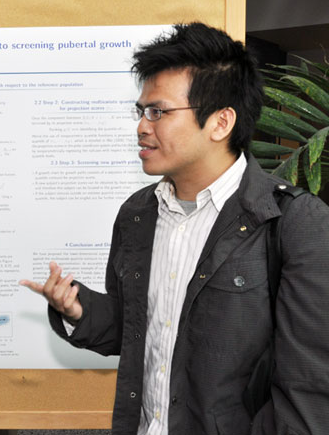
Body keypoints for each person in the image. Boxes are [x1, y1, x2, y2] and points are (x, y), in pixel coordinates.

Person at [21, 22, 329, 435]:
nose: (142, 127)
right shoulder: (137, 214)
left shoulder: (292, 221)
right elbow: (140, 332)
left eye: (158, 112)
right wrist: (78, 309)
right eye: (141, 111)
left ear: (221, 123)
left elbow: (306, 391)